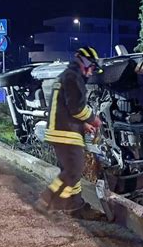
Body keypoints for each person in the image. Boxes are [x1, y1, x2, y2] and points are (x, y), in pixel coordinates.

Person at [35, 46, 103, 220]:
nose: (91, 72)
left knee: (72, 171)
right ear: (85, 62)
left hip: (61, 131)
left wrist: (83, 125)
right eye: (92, 67)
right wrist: (93, 120)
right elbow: (77, 108)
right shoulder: (74, 77)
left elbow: (68, 107)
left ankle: (75, 206)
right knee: (74, 170)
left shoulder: (66, 76)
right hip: (65, 133)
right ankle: (48, 200)